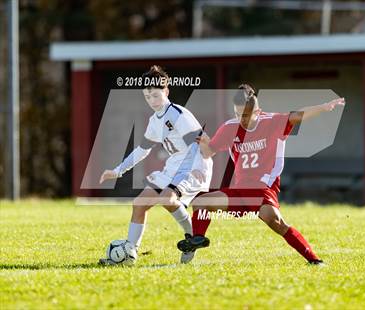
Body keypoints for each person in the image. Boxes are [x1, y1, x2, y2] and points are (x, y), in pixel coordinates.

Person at [177, 84, 345, 265]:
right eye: (238, 114)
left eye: (246, 115)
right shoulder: (229, 128)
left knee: (276, 223)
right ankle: (198, 240)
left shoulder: (272, 122)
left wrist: (323, 107)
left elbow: (298, 115)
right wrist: (203, 141)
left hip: (262, 190)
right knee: (201, 202)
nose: (241, 119)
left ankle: (314, 260)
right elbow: (209, 151)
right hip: (240, 191)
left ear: (258, 112)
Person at [99, 65, 212, 265]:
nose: (152, 100)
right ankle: (130, 252)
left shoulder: (178, 114)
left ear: (166, 91)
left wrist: (200, 166)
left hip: (192, 166)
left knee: (167, 198)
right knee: (139, 204)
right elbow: (142, 150)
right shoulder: (154, 121)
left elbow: (202, 141)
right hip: (173, 166)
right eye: (147, 96)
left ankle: (191, 236)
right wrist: (118, 171)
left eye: (155, 95)